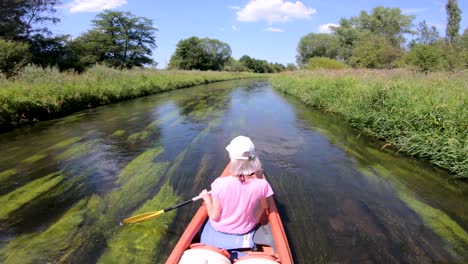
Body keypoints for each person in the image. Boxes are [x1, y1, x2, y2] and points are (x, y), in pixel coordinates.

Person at [199, 136, 274, 253]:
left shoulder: (219, 184)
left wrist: (207, 198)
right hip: (245, 229)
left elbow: (213, 216)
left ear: (231, 158)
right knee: (262, 202)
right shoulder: (262, 185)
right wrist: (259, 178)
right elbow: (265, 206)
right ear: (253, 159)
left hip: (219, 227)